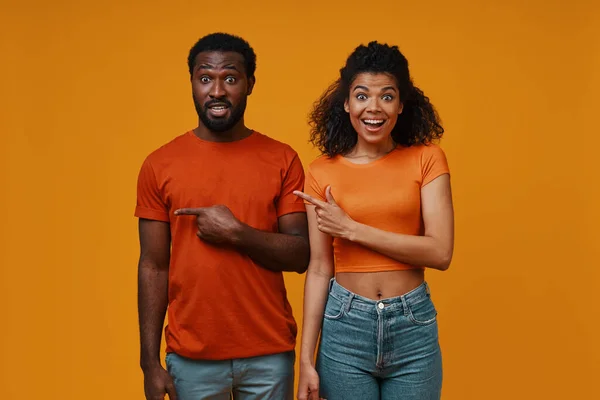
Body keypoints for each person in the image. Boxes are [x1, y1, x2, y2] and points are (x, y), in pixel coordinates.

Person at [135, 32, 310, 400]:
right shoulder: (159, 164)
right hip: (191, 357)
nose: (216, 91)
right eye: (205, 79)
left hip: (269, 354)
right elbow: (153, 265)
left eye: (230, 78)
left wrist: (237, 233)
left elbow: (300, 254)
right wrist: (149, 363)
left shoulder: (282, 159)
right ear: (193, 84)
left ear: (249, 84)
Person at [294, 41, 454, 400]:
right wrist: (305, 360)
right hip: (344, 327)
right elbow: (320, 268)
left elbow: (440, 252)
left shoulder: (427, 159)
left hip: (412, 323)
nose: (374, 108)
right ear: (347, 103)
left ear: (400, 104)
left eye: (387, 96)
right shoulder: (321, 171)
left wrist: (351, 229)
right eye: (362, 95)